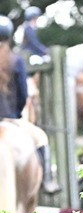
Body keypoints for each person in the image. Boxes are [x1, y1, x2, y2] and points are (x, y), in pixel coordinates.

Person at [0, 17, 57, 192]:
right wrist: (16, 114)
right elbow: (23, 94)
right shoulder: (15, 61)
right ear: (9, 37)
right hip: (9, 119)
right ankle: (47, 180)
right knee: (41, 138)